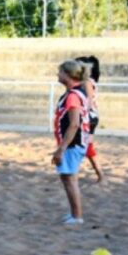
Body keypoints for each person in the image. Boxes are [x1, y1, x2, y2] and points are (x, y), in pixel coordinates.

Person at [52, 59, 92, 224]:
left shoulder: (73, 96)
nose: (58, 74)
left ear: (68, 75)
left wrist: (61, 149)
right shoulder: (76, 93)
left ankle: (77, 216)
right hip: (75, 142)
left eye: (60, 72)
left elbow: (74, 123)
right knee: (68, 178)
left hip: (73, 143)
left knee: (69, 179)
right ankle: (75, 214)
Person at [76, 55, 104, 183]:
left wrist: (81, 113)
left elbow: (88, 100)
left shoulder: (86, 82)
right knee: (87, 146)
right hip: (92, 116)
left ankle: (99, 174)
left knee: (84, 146)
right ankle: (99, 174)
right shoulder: (90, 81)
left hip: (88, 117)